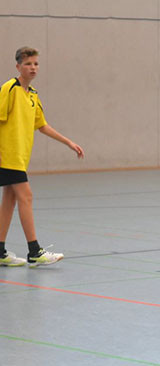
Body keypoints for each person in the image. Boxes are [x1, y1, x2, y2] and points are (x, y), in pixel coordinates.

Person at [0, 46, 85, 268]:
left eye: (36, 63)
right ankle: (34, 250)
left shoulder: (34, 95)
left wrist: (68, 142)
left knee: (9, 200)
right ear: (18, 66)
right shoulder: (9, 89)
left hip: (20, 157)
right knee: (26, 196)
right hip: (6, 156)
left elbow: (42, 125)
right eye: (28, 64)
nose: (33, 67)